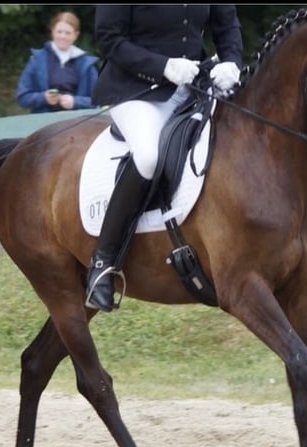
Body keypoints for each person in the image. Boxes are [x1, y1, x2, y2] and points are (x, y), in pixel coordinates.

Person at [85, 5, 243, 312]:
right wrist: (163, 66)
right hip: (137, 90)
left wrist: (233, 63)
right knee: (148, 156)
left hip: (193, 86)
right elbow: (109, 39)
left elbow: (227, 27)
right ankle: (102, 263)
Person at [16, 11, 99, 113]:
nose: (63, 36)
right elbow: (22, 97)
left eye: (68, 33)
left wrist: (75, 102)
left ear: (76, 35)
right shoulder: (37, 60)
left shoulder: (87, 64)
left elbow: (99, 101)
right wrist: (44, 98)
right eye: (59, 32)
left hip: (76, 122)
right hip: (43, 122)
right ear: (52, 31)